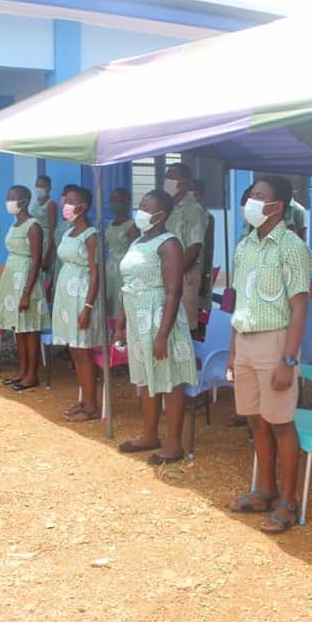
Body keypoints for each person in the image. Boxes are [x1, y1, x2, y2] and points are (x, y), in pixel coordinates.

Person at [227, 175, 312, 534]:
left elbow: (300, 307)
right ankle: (264, 489)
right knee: (255, 421)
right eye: (251, 194)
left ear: (276, 206)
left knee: (281, 423)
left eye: (259, 196)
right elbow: (240, 300)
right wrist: (233, 350)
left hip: (275, 343)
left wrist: (288, 360)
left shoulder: (291, 247)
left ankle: (288, 503)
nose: (251, 200)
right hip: (245, 340)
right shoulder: (245, 245)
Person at [113, 189, 198, 465]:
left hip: (161, 318)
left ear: (161, 214)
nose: (140, 211)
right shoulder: (138, 241)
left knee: (169, 378)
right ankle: (149, 434)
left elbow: (173, 291)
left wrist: (163, 334)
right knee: (146, 378)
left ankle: (173, 444)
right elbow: (128, 286)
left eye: (146, 208)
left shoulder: (169, 244)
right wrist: (120, 325)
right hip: (137, 317)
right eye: (140, 205)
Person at [53, 185, 103, 422]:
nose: (66, 205)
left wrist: (88, 308)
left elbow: (95, 272)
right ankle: (83, 400)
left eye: (71, 201)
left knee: (83, 352)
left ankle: (92, 406)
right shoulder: (68, 231)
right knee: (74, 350)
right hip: (66, 299)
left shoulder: (91, 235)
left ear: (83, 206)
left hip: (82, 298)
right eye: (66, 200)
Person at [0, 185, 50, 391]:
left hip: (27, 282)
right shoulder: (14, 224)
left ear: (25, 201)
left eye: (14, 197)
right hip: (12, 278)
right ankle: (22, 370)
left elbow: (36, 261)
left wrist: (27, 292)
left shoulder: (33, 226)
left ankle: (32, 375)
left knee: (30, 330)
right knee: (18, 329)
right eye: (8, 196)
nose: (9, 201)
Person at [163, 162, 206, 332]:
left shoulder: (193, 209)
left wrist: (174, 275)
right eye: (167, 176)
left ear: (185, 182)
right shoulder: (167, 207)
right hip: (164, 276)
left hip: (183, 278)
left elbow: (193, 248)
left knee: (183, 326)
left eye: (172, 176)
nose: (167, 179)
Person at [105, 187, 138, 320]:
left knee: (121, 301)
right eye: (111, 199)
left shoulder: (131, 225)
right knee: (109, 299)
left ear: (126, 202)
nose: (113, 202)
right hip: (109, 268)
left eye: (116, 199)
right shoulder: (110, 224)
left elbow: (134, 250)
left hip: (123, 269)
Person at [191, 179, 216, 340]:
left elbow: (208, 250)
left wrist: (206, 276)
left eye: (195, 191)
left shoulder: (207, 217)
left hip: (199, 271)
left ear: (201, 194)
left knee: (199, 313)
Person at [32, 175, 58, 278]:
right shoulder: (36, 204)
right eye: (37, 185)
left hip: (46, 241)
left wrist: (47, 255)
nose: (39, 188)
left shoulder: (51, 204)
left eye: (42, 186)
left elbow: (53, 229)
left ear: (49, 188)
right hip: (35, 240)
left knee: (44, 275)